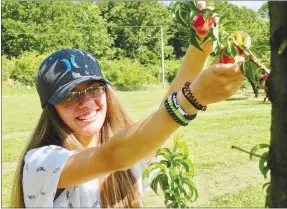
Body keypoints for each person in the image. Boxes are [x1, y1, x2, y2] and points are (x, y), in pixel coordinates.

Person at [11, 40, 244, 208]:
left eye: (93, 89)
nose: (85, 102)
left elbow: (157, 120)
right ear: (51, 109)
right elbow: (111, 156)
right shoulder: (40, 163)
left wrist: (200, 44)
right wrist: (193, 99)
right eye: (68, 97)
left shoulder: (132, 150)